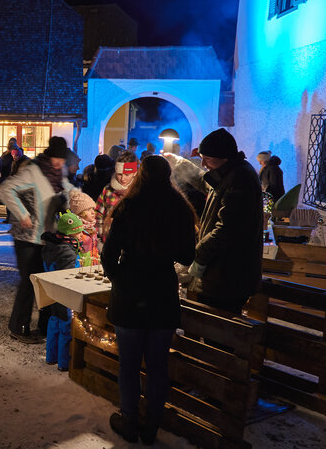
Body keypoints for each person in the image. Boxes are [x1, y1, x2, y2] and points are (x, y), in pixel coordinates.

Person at [101, 155, 196, 444]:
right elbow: (187, 256)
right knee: (157, 366)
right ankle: (151, 427)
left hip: (130, 292)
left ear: (141, 175)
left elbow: (108, 254)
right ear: (168, 176)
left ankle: (129, 421)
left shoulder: (129, 206)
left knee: (128, 364)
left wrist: (119, 278)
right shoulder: (179, 208)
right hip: (162, 293)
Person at [0, 136, 72, 343]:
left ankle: (45, 327)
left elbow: (70, 193)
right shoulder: (33, 170)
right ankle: (18, 327)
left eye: (62, 159)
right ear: (49, 156)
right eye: (56, 158)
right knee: (29, 282)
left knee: (46, 283)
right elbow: (5, 188)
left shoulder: (59, 174)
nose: (59, 162)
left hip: (48, 238)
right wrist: (22, 214)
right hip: (26, 238)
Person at [188, 128, 263, 315]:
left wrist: (199, 254)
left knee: (220, 331)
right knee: (212, 327)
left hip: (229, 274)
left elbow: (227, 229)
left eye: (207, 158)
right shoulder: (229, 174)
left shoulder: (240, 178)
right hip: (221, 273)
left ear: (223, 157)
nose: (203, 163)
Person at [40, 211, 88, 372]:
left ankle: (51, 357)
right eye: (79, 231)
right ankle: (64, 362)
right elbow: (68, 277)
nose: (81, 235)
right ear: (71, 233)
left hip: (52, 292)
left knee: (54, 322)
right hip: (64, 294)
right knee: (66, 327)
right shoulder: (66, 251)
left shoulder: (53, 245)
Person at [95, 151, 139, 243]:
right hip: (108, 243)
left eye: (127, 175)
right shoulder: (108, 190)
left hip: (132, 246)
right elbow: (98, 213)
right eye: (119, 174)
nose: (122, 178)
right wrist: (101, 234)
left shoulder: (140, 192)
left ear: (134, 173)